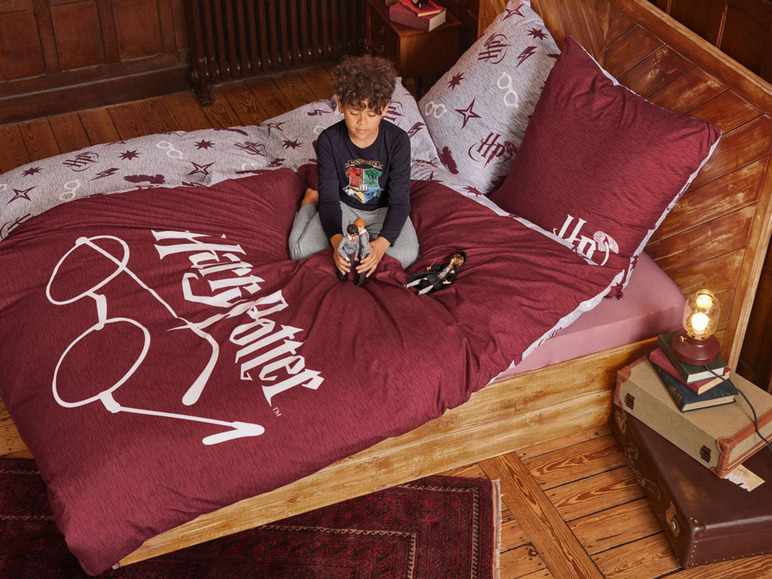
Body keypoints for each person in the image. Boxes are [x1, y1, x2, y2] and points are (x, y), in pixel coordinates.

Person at [288, 54, 420, 281]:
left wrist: (381, 244)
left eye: (371, 114)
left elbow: (400, 201)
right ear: (340, 105)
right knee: (299, 251)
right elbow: (330, 200)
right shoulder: (329, 140)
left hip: (382, 210)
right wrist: (336, 240)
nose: (362, 123)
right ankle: (309, 201)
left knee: (407, 256)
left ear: (385, 109)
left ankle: (363, 244)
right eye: (354, 112)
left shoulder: (398, 141)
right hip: (344, 206)